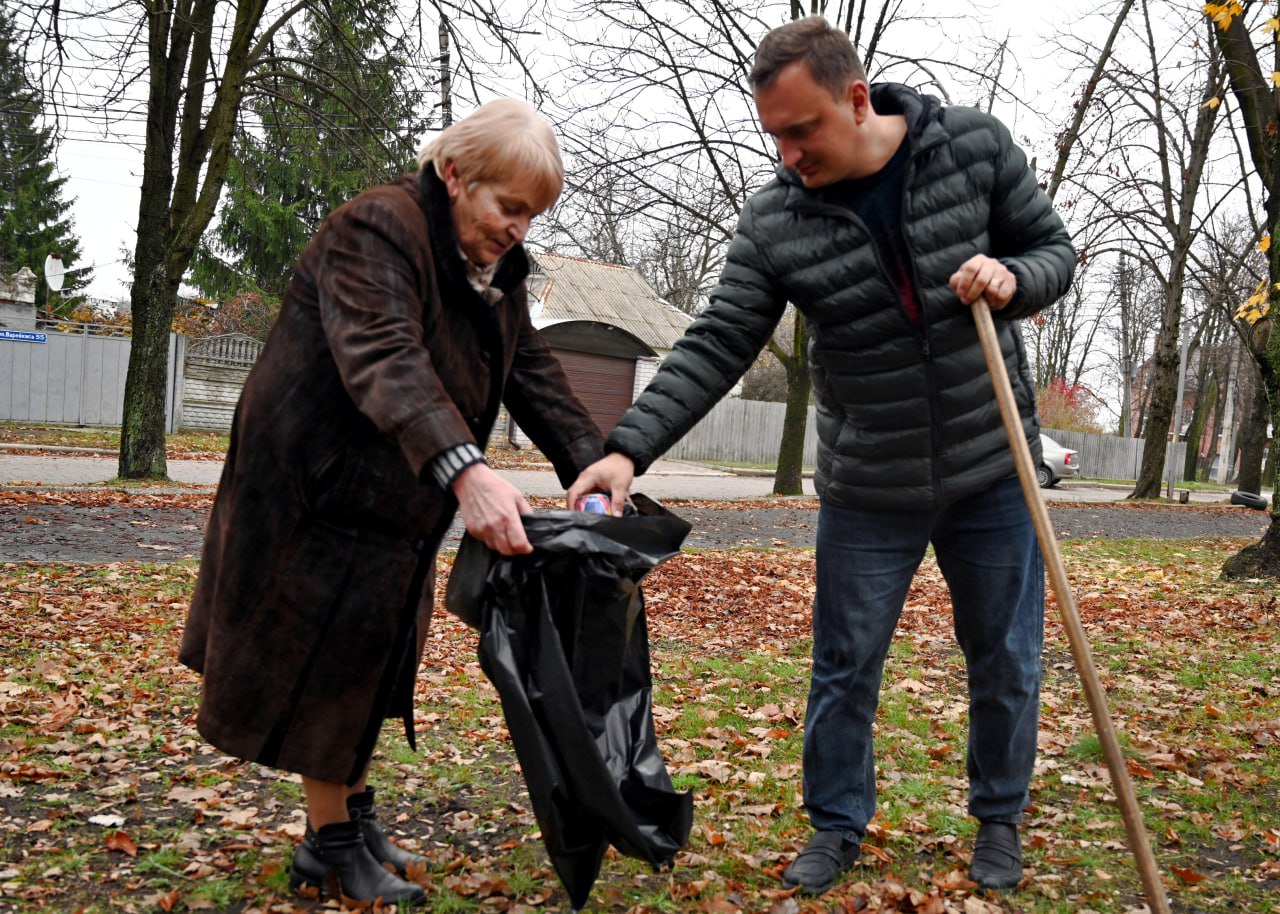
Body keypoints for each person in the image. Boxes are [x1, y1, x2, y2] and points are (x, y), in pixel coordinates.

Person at [568, 15, 1075, 896]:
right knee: (843, 666)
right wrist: (628, 450)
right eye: (774, 136)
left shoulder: (975, 148)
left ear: (855, 97)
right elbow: (718, 340)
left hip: (991, 464)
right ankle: (836, 824)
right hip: (868, 483)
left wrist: (1012, 277)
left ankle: (999, 819)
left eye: (803, 130)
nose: (789, 153)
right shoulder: (777, 221)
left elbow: (1055, 252)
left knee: (1005, 659)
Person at [180, 99, 604, 906]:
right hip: (317, 489)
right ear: (453, 174)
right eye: (508, 207)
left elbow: (532, 372)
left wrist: (594, 462)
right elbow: (386, 355)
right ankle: (329, 848)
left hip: (391, 495)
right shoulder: (377, 229)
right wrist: (467, 470)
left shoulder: (488, 272)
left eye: (532, 214)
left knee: (371, 656)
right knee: (327, 659)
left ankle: (350, 817)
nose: (518, 228)